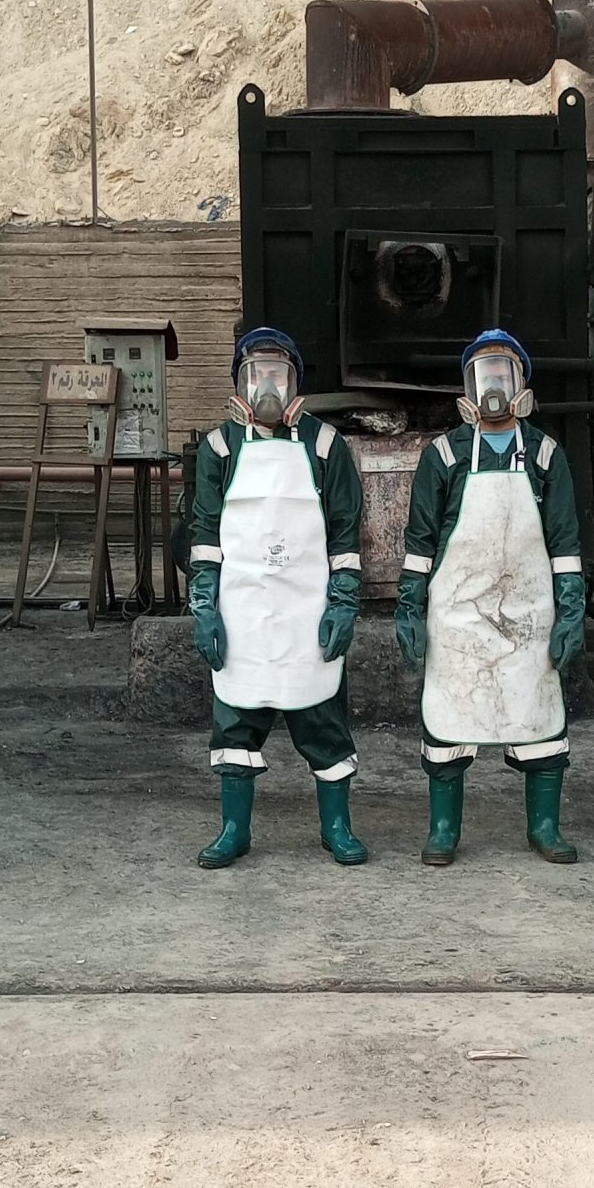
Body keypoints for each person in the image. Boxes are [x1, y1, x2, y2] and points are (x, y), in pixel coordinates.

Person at [393, 330, 585, 867]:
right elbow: (420, 543)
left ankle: (545, 827)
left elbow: (564, 543)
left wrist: (571, 611)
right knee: (449, 718)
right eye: (482, 377)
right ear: (467, 389)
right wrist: (409, 607)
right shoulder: (444, 454)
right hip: (458, 614)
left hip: (528, 614)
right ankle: (443, 829)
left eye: (503, 374)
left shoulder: (545, 454)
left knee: (539, 717)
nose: (493, 387)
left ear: (522, 384)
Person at [188, 327, 367, 869]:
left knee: (322, 719)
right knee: (235, 721)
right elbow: (205, 533)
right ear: (239, 384)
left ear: (295, 384)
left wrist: (343, 603)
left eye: (278, 375)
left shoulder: (325, 445)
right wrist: (204, 607)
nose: (267, 387)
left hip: (306, 609)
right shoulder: (219, 448)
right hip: (241, 609)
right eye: (256, 375)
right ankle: (234, 830)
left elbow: (345, 534)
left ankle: (336, 827)